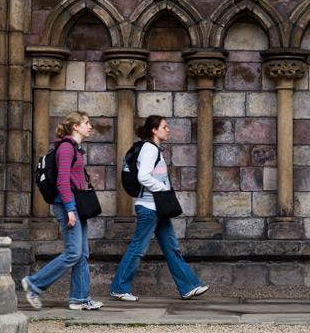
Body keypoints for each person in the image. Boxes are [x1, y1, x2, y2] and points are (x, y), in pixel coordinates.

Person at [110, 115, 208, 301]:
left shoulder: (155, 149)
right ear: (154, 130)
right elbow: (143, 177)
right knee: (138, 248)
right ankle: (119, 287)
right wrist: (163, 188)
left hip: (157, 208)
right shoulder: (149, 149)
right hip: (149, 208)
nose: (168, 129)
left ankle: (188, 286)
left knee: (171, 247)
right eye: (164, 126)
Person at [21, 111, 103, 311]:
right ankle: (33, 284)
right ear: (75, 126)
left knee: (82, 253)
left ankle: (80, 298)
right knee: (74, 253)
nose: (90, 126)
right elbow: (62, 181)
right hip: (67, 206)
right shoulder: (66, 148)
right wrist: (70, 209)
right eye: (86, 123)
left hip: (74, 206)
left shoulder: (74, 148)